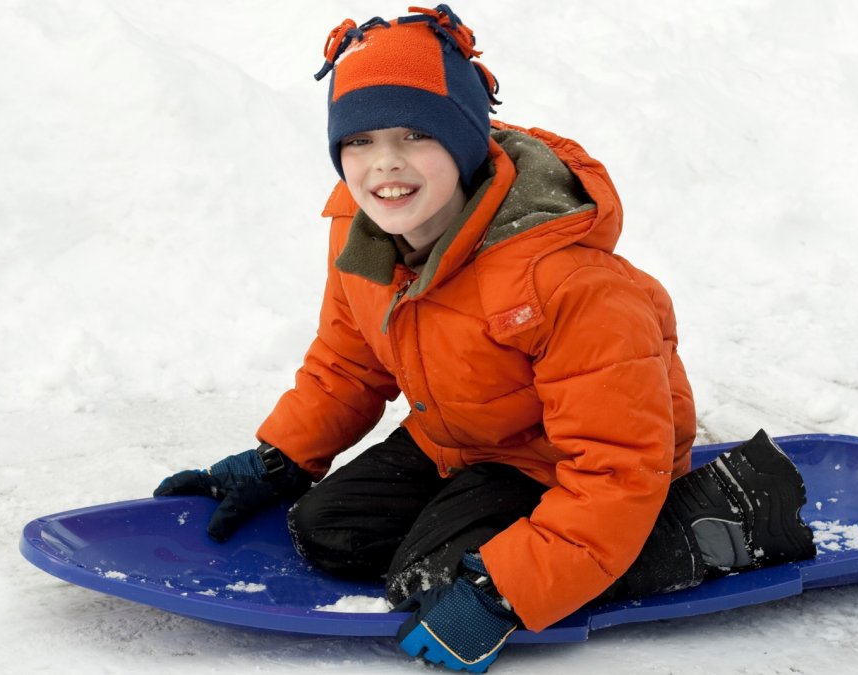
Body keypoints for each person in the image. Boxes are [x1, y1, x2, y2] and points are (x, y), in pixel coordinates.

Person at [154, 5, 815, 672]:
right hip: (461, 438)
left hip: (564, 461)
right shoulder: (362, 229)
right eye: (360, 140)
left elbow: (616, 468)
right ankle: (473, 525)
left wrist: (502, 592)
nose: (384, 164)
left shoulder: (565, 280)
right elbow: (349, 361)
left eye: (415, 134)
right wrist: (281, 458)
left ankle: (719, 513)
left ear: (465, 140)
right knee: (326, 533)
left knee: (430, 584)